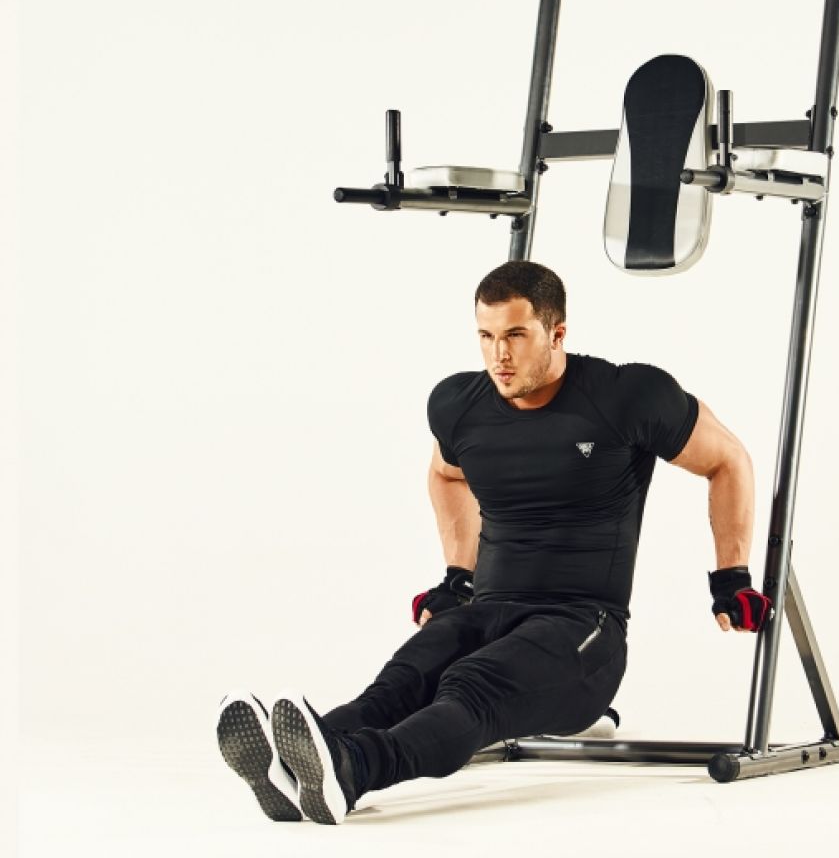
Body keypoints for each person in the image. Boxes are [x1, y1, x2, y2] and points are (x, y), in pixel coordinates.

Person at [216, 260, 770, 825]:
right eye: (486, 336)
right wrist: (459, 576)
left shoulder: (626, 396)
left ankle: (352, 769)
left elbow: (727, 459)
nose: (498, 355)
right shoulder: (460, 406)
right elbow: (446, 473)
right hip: (489, 612)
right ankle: (296, 768)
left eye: (515, 335)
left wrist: (732, 578)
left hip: (584, 628)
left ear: (557, 333)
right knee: (400, 684)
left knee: (470, 687)